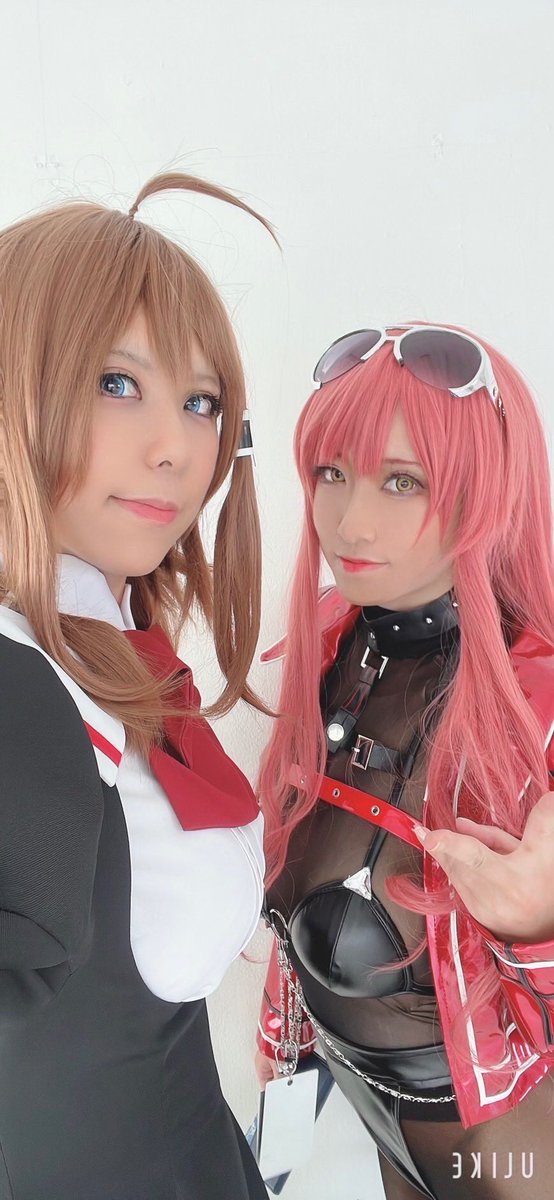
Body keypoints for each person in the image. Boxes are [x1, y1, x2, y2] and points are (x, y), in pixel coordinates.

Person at [0, 171, 274, 1200]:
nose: (177, 449)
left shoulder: (118, 645)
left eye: (201, 402)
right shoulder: (20, 683)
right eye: (117, 383)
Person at [255, 324, 554, 1199]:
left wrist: (539, 927)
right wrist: (283, 1043)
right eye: (331, 472)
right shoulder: (331, 644)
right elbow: (301, 876)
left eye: (402, 480)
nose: (350, 521)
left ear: (485, 491)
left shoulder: (536, 712)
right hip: (360, 1103)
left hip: (503, 1143)